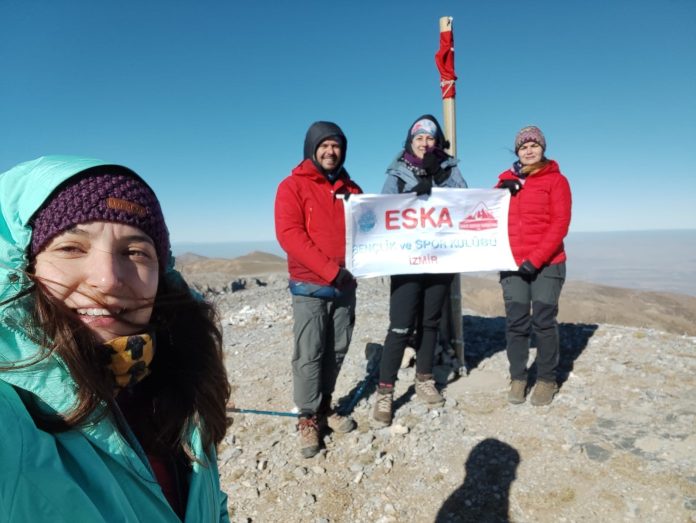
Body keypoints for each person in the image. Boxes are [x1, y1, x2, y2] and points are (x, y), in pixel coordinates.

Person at [0, 156, 231, 521]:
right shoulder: (12, 413)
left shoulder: (178, 377)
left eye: (136, 252)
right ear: (23, 265)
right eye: (71, 248)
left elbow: (208, 501)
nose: (107, 279)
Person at [372, 114, 467, 427]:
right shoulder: (398, 172)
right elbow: (385, 208)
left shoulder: (450, 169)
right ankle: (385, 391)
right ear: (410, 142)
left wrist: (439, 184)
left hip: (440, 258)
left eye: (430, 138)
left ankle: (424, 378)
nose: (425, 143)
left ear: (437, 142)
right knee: (400, 325)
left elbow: (465, 200)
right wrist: (412, 196)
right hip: (406, 261)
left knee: (430, 321)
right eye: (419, 138)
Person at [274, 121, 362, 458]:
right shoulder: (292, 186)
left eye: (336, 146)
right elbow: (290, 234)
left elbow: (371, 228)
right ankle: (307, 417)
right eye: (324, 145)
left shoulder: (352, 190)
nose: (330, 151)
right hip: (310, 286)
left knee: (337, 348)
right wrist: (330, 271)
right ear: (312, 148)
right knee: (309, 353)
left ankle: (325, 406)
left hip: (346, 285)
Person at [495, 126, 572, 406]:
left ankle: (546, 379)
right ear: (517, 151)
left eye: (534, 145)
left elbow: (560, 224)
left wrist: (536, 259)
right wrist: (499, 191)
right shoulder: (504, 182)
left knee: (543, 321)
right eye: (523, 146)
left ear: (543, 149)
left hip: (547, 264)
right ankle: (518, 377)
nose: (529, 150)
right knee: (516, 322)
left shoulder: (556, 181)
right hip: (512, 264)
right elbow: (484, 213)